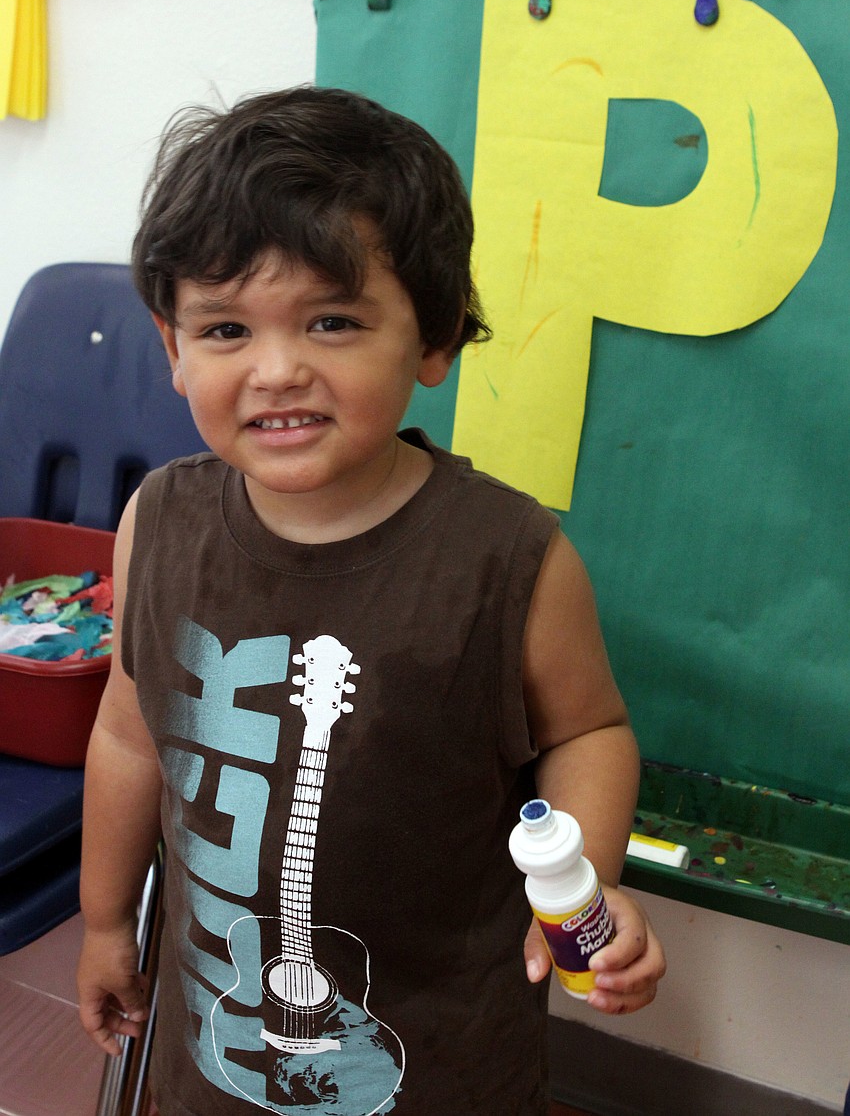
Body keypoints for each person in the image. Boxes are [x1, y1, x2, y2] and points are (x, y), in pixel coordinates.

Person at [77, 86, 666, 1115]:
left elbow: (592, 730)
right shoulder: (154, 523)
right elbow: (130, 737)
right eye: (223, 328)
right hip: (210, 1049)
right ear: (172, 348)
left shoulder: (511, 561)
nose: (276, 369)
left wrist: (588, 884)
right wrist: (99, 923)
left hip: (436, 1057)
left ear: (434, 341)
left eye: (333, 319)